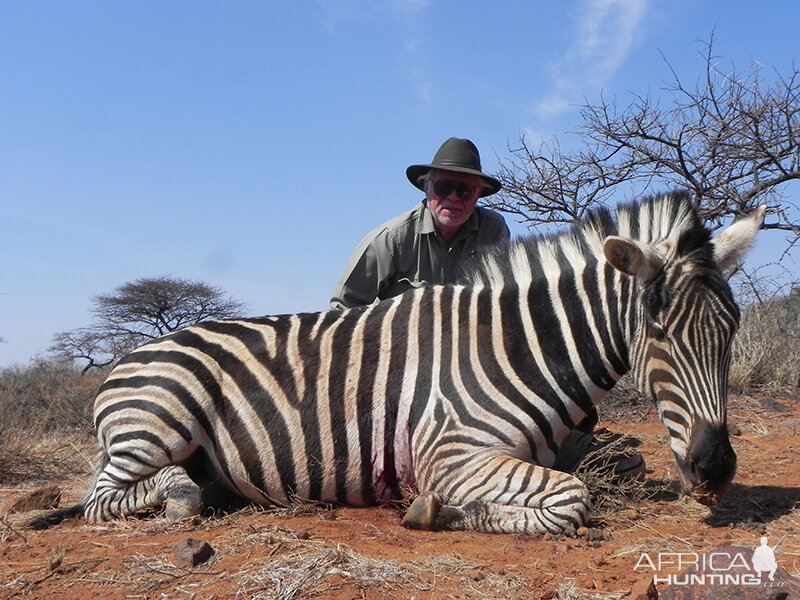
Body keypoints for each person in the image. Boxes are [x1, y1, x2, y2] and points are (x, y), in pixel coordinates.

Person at [330, 137, 510, 310]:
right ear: (426, 186)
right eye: (444, 187)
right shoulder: (391, 239)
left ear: (478, 193)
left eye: (465, 190)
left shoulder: (493, 232)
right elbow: (344, 307)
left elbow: (502, 298)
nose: (453, 197)